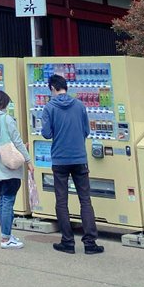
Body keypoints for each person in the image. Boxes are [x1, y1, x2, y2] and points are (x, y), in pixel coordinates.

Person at [41, 73, 104, 255]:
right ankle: (90, 243)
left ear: (52, 88)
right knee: (85, 200)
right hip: (79, 159)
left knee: (62, 201)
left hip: (60, 159)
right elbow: (86, 131)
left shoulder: (49, 108)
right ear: (66, 87)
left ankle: (67, 242)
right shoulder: (80, 105)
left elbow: (46, 133)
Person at [0, 90, 33, 249]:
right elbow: (17, 141)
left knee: (3, 200)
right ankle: (6, 238)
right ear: (4, 103)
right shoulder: (6, 119)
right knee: (8, 200)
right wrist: (28, 160)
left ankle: (7, 234)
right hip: (8, 166)